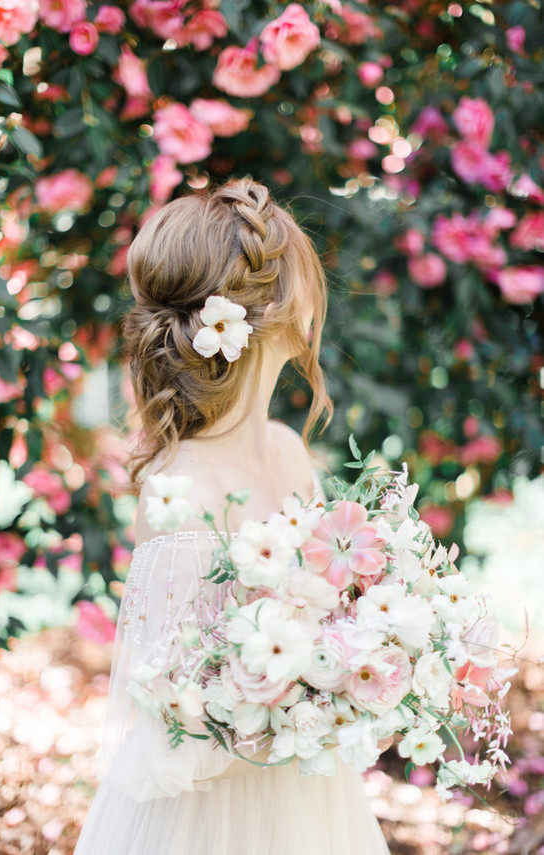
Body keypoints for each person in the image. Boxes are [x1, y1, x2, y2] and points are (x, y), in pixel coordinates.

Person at [73, 178, 391, 855]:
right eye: (306, 275)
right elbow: (171, 720)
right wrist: (309, 696)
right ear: (271, 308)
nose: (319, 295)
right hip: (209, 820)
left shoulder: (287, 449)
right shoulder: (182, 493)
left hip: (310, 795)